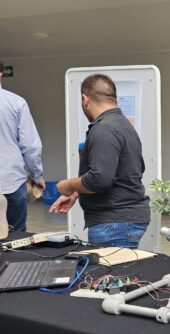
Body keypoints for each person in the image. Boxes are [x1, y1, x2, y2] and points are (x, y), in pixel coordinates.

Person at [49, 74, 150, 249]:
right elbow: (121, 173)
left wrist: (69, 185)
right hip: (124, 220)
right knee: (122, 274)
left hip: (114, 223)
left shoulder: (103, 129)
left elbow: (100, 179)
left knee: (110, 276)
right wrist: (76, 193)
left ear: (85, 99)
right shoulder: (123, 125)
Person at [0, 73, 45, 232]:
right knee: (16, 238)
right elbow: (31, 146)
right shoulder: (16, 103)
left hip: (11, 181)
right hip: (11, 182)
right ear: (1, 73)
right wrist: (37, 176)